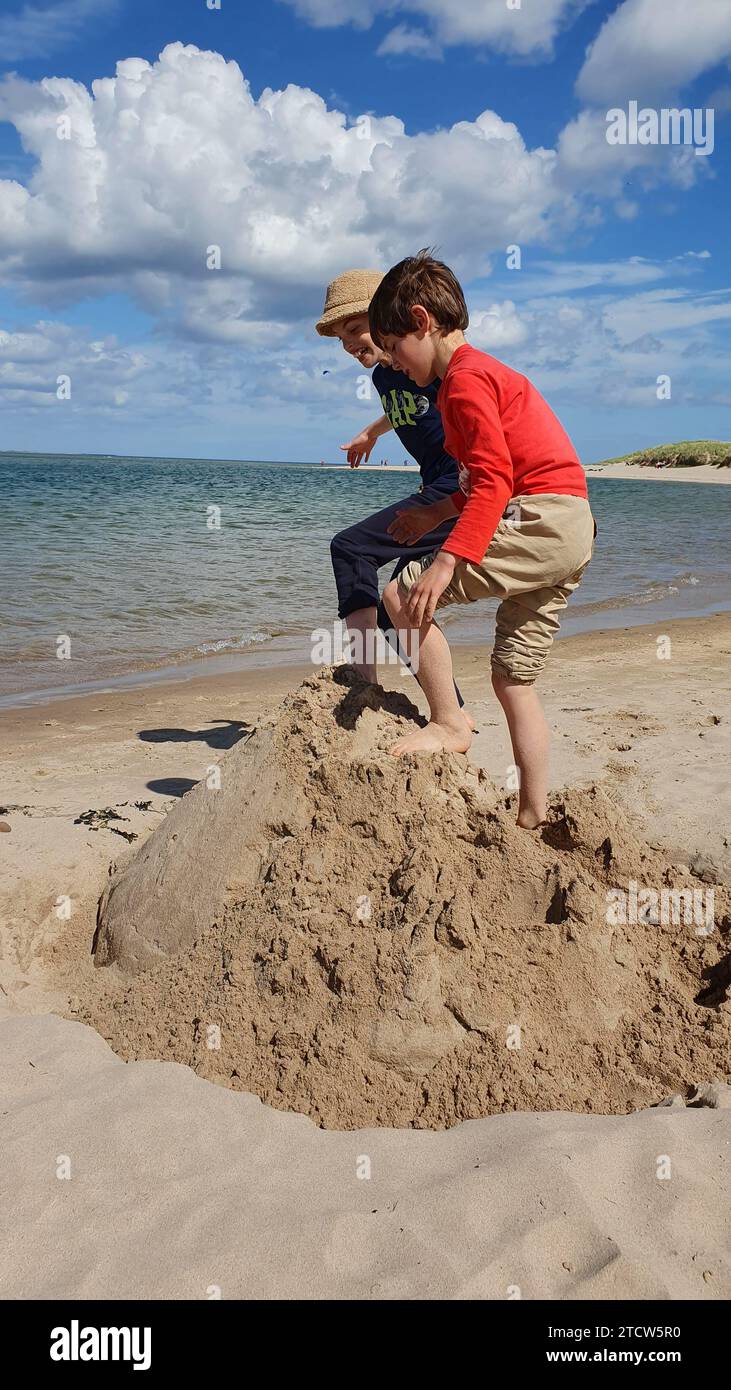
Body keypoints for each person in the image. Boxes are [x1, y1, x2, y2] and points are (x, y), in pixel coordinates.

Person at [369, 251, 596, 829]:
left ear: (422, 321)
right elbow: (491, 480)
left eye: (393, 347)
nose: (393, 363)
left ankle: (448, 721)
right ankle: (533, 813)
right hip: (571, 528)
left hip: (540, 518)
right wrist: (434, 514)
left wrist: (446, 560)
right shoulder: (482, 377)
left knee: (402, 595)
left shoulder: (465, 381)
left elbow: (497, 482)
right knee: (513, 678)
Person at [315, 269, 468, 711]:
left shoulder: (433, 366)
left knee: (350, 549)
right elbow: (410, 407)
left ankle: (363, 682)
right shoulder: (387, 377)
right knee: (390, 608)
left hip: (457, 484)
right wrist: (373, 431)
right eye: (339, 338)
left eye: (353, 329)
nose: (347, 345)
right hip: (435, 483)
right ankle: (453, 708)